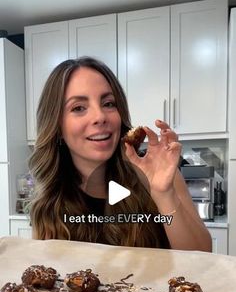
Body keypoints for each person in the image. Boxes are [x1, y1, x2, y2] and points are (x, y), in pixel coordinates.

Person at [29, 56, 212, 251]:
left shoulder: (156, 173)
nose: (99, 117)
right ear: (57, 126)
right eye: (78, 108)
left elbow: (202, 255)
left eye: (108, 103)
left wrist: (164, 194)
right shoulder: (49, 201)